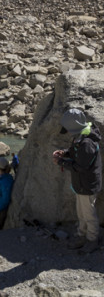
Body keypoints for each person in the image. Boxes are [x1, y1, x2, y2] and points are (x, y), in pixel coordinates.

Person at [52, 108, 102, 253]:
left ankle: (92, 240)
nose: (67, 132)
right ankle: (82, 235)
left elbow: (81, 166)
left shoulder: (87, 143)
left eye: (68, 129)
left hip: (87, 184)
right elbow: (76, 152)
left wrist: (61, 162)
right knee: (81, 212)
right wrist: (65, 153)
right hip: (81, 184)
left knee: (89, 214)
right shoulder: (82, 136)